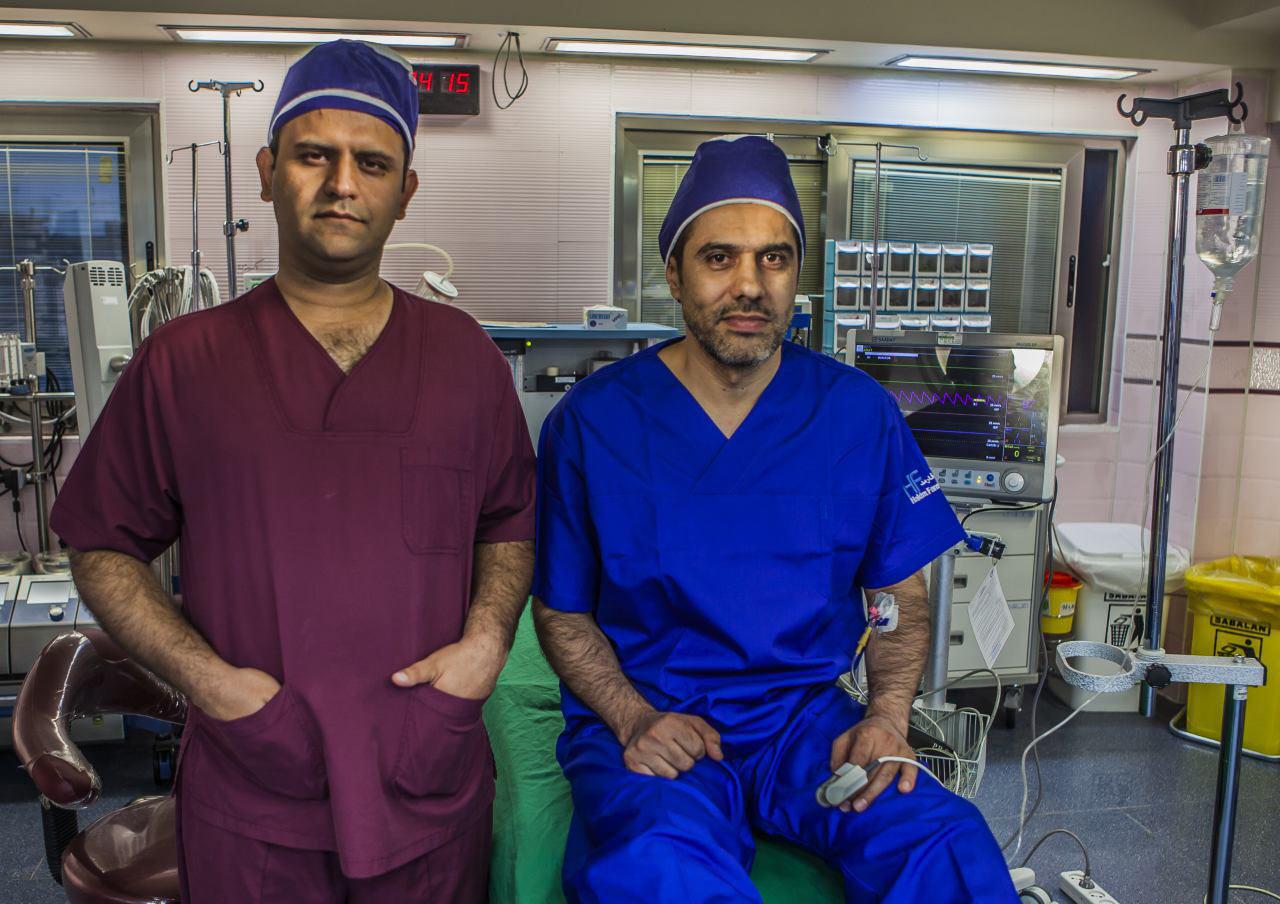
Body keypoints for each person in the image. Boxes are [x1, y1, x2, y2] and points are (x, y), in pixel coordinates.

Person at [51, 39, 535, 903]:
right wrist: (210, 683)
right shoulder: (183, 363)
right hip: (257, 788)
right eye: (315, 155)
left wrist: (486, 643)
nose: (343, 183)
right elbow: (101, 545)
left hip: (426, 775)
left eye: (372, 163)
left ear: (405, 191)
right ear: (269, 173)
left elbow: (508, 522)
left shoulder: (467, 361)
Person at [531, 135, 1017, 902]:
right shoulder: (594, 423)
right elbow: (561, 611)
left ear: (796, 275)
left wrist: (887, 716)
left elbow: (896, 596)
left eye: (774, 259)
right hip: (659, 716)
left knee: (945, 841)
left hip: (805, 725)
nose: (750, 285)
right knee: (662, 867)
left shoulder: (856, 415)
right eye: (719, 258)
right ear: (675, 274)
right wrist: (628, 717)